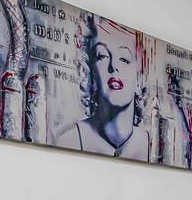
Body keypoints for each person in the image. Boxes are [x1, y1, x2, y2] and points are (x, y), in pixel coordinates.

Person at [58, 15, 151, 159]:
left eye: (124, 59)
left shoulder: (154, 147)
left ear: (139, 77)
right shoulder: (69, 141)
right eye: (102, 56)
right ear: (90, 72)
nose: (113, 66)